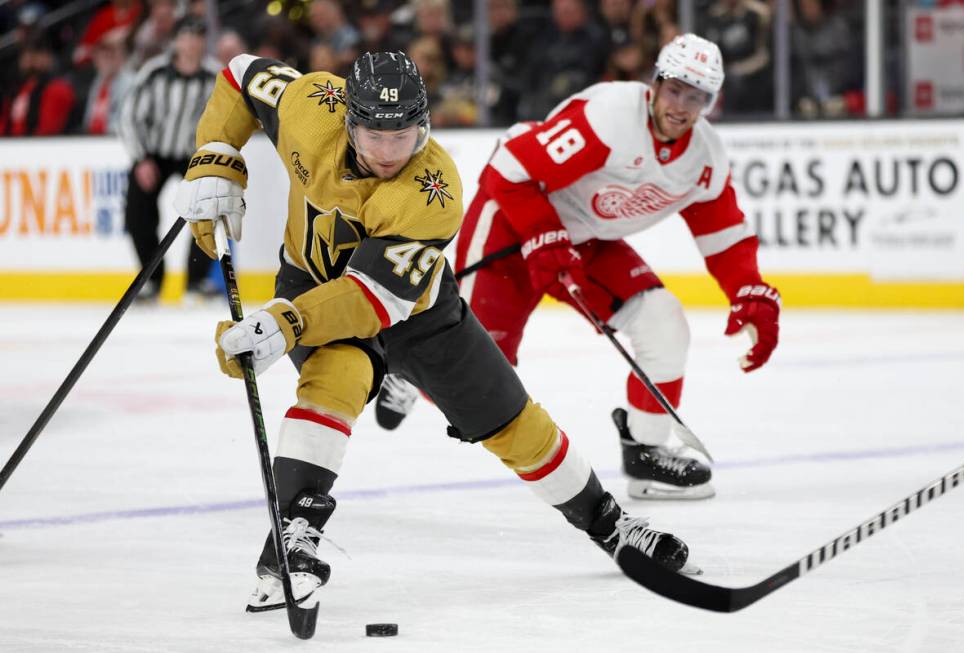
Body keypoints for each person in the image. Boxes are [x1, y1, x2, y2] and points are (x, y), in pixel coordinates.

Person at [173, 50, 693, 610]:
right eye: (375, 134)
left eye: (404, 134)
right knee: (336, 375)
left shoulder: (433, 191)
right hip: (312, 281)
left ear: (424, 125)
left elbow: (370, 301)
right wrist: (217, 156)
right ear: (347, 120)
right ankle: (293, 535)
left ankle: (607, 523)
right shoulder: (311, 106)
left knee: (510, 420)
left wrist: (286, 323)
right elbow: (241, 73)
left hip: (414, 310)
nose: (390, 151)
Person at [376, 34, 781, 501]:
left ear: (711, 102)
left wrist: (749, 292)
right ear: (655, 84)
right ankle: (407, 372)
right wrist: (544, 236)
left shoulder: (703, 158)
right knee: (480, 371)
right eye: (675, 90)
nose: (681, 106)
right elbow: (509, 168)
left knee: (665, 324)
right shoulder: (609, 118)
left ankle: (647, 452)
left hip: (585, 242)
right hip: (513, 219)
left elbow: (724, 234)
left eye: (697, 97)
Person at [119, 15, 222, 302]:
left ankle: (196, 280)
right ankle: (152, 280)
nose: (191, 44)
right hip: (155, 153)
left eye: (198, 37)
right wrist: (140, 159)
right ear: (175, 40)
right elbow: (129, 117)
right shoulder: (155, 72)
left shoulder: (216, 75)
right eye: (186, 37)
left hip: (195, 155)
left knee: (209, 207)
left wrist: (214, 158)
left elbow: (228, 119)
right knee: (137, 212)